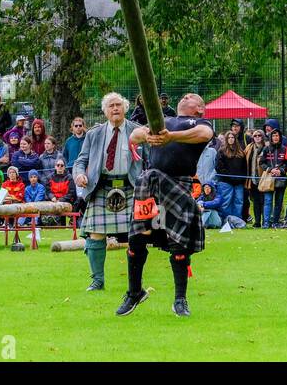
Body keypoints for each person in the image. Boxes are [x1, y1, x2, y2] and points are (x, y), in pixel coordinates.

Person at [119, 92, 214, 317]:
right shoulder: (163, 120)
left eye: (193, 96)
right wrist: (148, 134)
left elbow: (205, 134)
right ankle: (134, 293)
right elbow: (134, 134)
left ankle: (180, 300)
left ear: (200, 109)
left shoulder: (199, 122)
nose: (186, 95)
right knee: (136, 238)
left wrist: (171, 136)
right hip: (150, 185)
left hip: (177, 185)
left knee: (178, 244)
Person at [73, 92, 143, 292]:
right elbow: (81, 161)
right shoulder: (94, 134)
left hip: (131, 188)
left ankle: (135, 282)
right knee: (95, 234)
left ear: (125, 108)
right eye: (111, 105)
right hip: (101, 187)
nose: (115, 109)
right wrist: (79, 175)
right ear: (105, 111)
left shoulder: (137, 131)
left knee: (136, 235)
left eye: (118, 105)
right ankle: (97, 281)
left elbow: (148, 159)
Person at [215, 129, 248, 228]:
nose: (231, 139)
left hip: (239, 182)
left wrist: (241, 179)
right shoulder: (221, 151)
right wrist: (230, 178)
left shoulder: (241, 152)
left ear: (235, 139)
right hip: (225, 182)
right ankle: (226, 223)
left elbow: (244, 168)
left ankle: (237, 223)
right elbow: (219, 168)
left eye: (232, 137)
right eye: (229, 137)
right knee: (226, 202)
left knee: (238, 202)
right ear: (226, 139)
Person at [259, 128, 287, 228]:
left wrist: (281, 170)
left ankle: (276, 222)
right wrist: (270, 169)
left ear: (280, 137)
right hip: (269, 179)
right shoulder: (266, 149)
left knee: (278, 203)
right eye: (273, 135)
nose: (275, 137)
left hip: (281, 180)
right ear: (271, 137)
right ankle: (266, 223)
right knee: (267, 201)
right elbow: (261, 163)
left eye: (277, 135)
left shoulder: (285, 149)